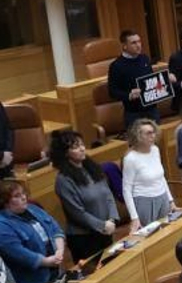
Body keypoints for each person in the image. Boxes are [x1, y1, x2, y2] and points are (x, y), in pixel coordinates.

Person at [49, 129, 116, 262]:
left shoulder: (92, 168)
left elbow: (108, 195)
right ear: (65, 153)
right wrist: (103, 225)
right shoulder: (63, 180)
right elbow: (77, 213)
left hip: (106, 231)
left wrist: (112, 219)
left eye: (82, 145)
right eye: (76, 147)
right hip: (84, 238)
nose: (82, 149)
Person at [107, 29, 160, 129]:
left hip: (152, 109)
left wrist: (163, 80)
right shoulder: (116, 66)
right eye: (133, 43)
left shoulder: (144, 58)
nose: (138, 45)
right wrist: (129, 95)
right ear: (124, 46)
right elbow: (112, 92)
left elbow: (151, 80)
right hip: (134, 112)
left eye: (139, 41)